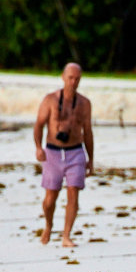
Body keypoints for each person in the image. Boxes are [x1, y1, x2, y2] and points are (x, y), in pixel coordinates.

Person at [34, 62, 93, 248]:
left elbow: (88, 132)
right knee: (50, 199)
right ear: (63, 77)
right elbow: (39, 125)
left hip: (76, 152)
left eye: (77, 79)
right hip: (52, 151)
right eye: (70, 78)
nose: (73, 82)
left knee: (73, 193)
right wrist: (38, 147)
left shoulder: (84, 103)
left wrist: (91, 159)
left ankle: (66, 236)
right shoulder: (50, 100)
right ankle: (49, 225)